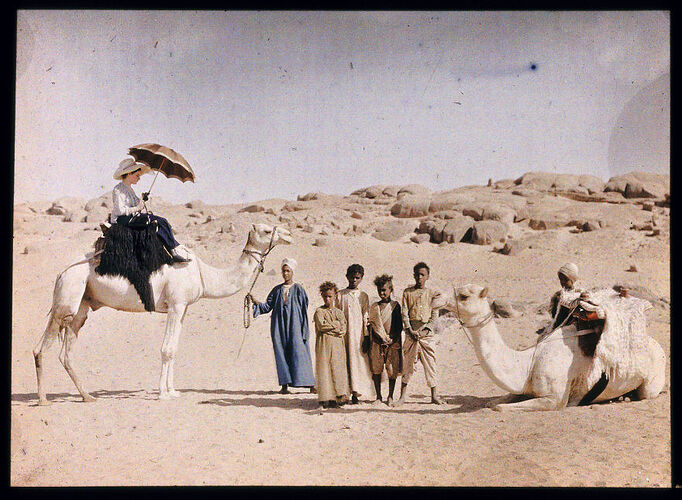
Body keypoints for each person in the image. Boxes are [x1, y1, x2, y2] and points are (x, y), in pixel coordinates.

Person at [249, 258, 315, 394]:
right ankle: (284, 386)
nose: (285, 274)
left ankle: (310, 384)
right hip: (279, 326)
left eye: (288, 271)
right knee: (282, 352)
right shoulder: (277, 290)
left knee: (300, 352)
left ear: (292, 272)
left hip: (295, 326)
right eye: (283, 271)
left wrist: (303, 328)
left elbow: (304, 309)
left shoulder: (299, 289)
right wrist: (255, 301)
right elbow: (267, 306)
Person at [111, 157, 192, 263]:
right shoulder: (118, 189)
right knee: (159, 221)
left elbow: (137, 204)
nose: (139, 178)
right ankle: (174, 251)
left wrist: (142, 199)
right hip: (123, 220)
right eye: (137, 175)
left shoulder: (129, 189)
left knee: (162, 221)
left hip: (131, 218)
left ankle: (174, 247)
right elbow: (119, 211)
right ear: (129, 174)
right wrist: (137, 208)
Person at [392, 262, 443, 406]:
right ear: (413, 275)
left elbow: (434, 314)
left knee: (430, 364)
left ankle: (434, 395)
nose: (419, 277)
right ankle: (402, 396)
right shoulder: (407, 293)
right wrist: (409, 330)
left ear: (427, 276)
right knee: (408, 365)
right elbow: (405, 312)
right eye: (417, 274)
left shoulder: (431, 294)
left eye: (423, 275)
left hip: (427, 335)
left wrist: (427, 329)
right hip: (411, 334)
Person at [336, 264, 375, 404]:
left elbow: (366, 316)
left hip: (358, 335)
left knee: (357, 362)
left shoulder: (363, 296)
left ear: (361, 279)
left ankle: (356, 393)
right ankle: (343, 393)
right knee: (344, 361)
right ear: (347, 277)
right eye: (352, 277)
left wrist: (365, 336)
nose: (354, 280)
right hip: (344, 334)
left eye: (357, 278)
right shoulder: (340, 295)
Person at [313, 281, 350, 409]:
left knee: (337, 368)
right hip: (324, 344)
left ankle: (337, 397)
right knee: (324, 369)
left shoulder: (339, 312)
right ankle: (325, 397)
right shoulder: (319, 311)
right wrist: (335, 325)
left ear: (335, 296)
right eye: (325, 297)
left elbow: (343, 328)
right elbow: (322, 326)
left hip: (337, 345)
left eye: (330, 296)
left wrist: (336, 327)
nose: (328, 299)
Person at [367, 274, 402, 405]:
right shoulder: (374, 307)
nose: (382, 293)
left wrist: (392, 339)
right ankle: (378, 396)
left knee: (392, 370)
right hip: (377, 342)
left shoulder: (395, 306)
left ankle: (391, 396)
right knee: (376, 369)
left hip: (392, 343)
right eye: (380, 290)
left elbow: (399, 325)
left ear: (390, 290)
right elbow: (374, 325)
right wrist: (379, 338)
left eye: (384, 290)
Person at [539, 262, 583, 335]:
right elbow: (554, 315)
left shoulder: (580, 294)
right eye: (561, 279)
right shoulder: (558, 296)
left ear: (572, 279)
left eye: (565, 280)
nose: (562, 282)